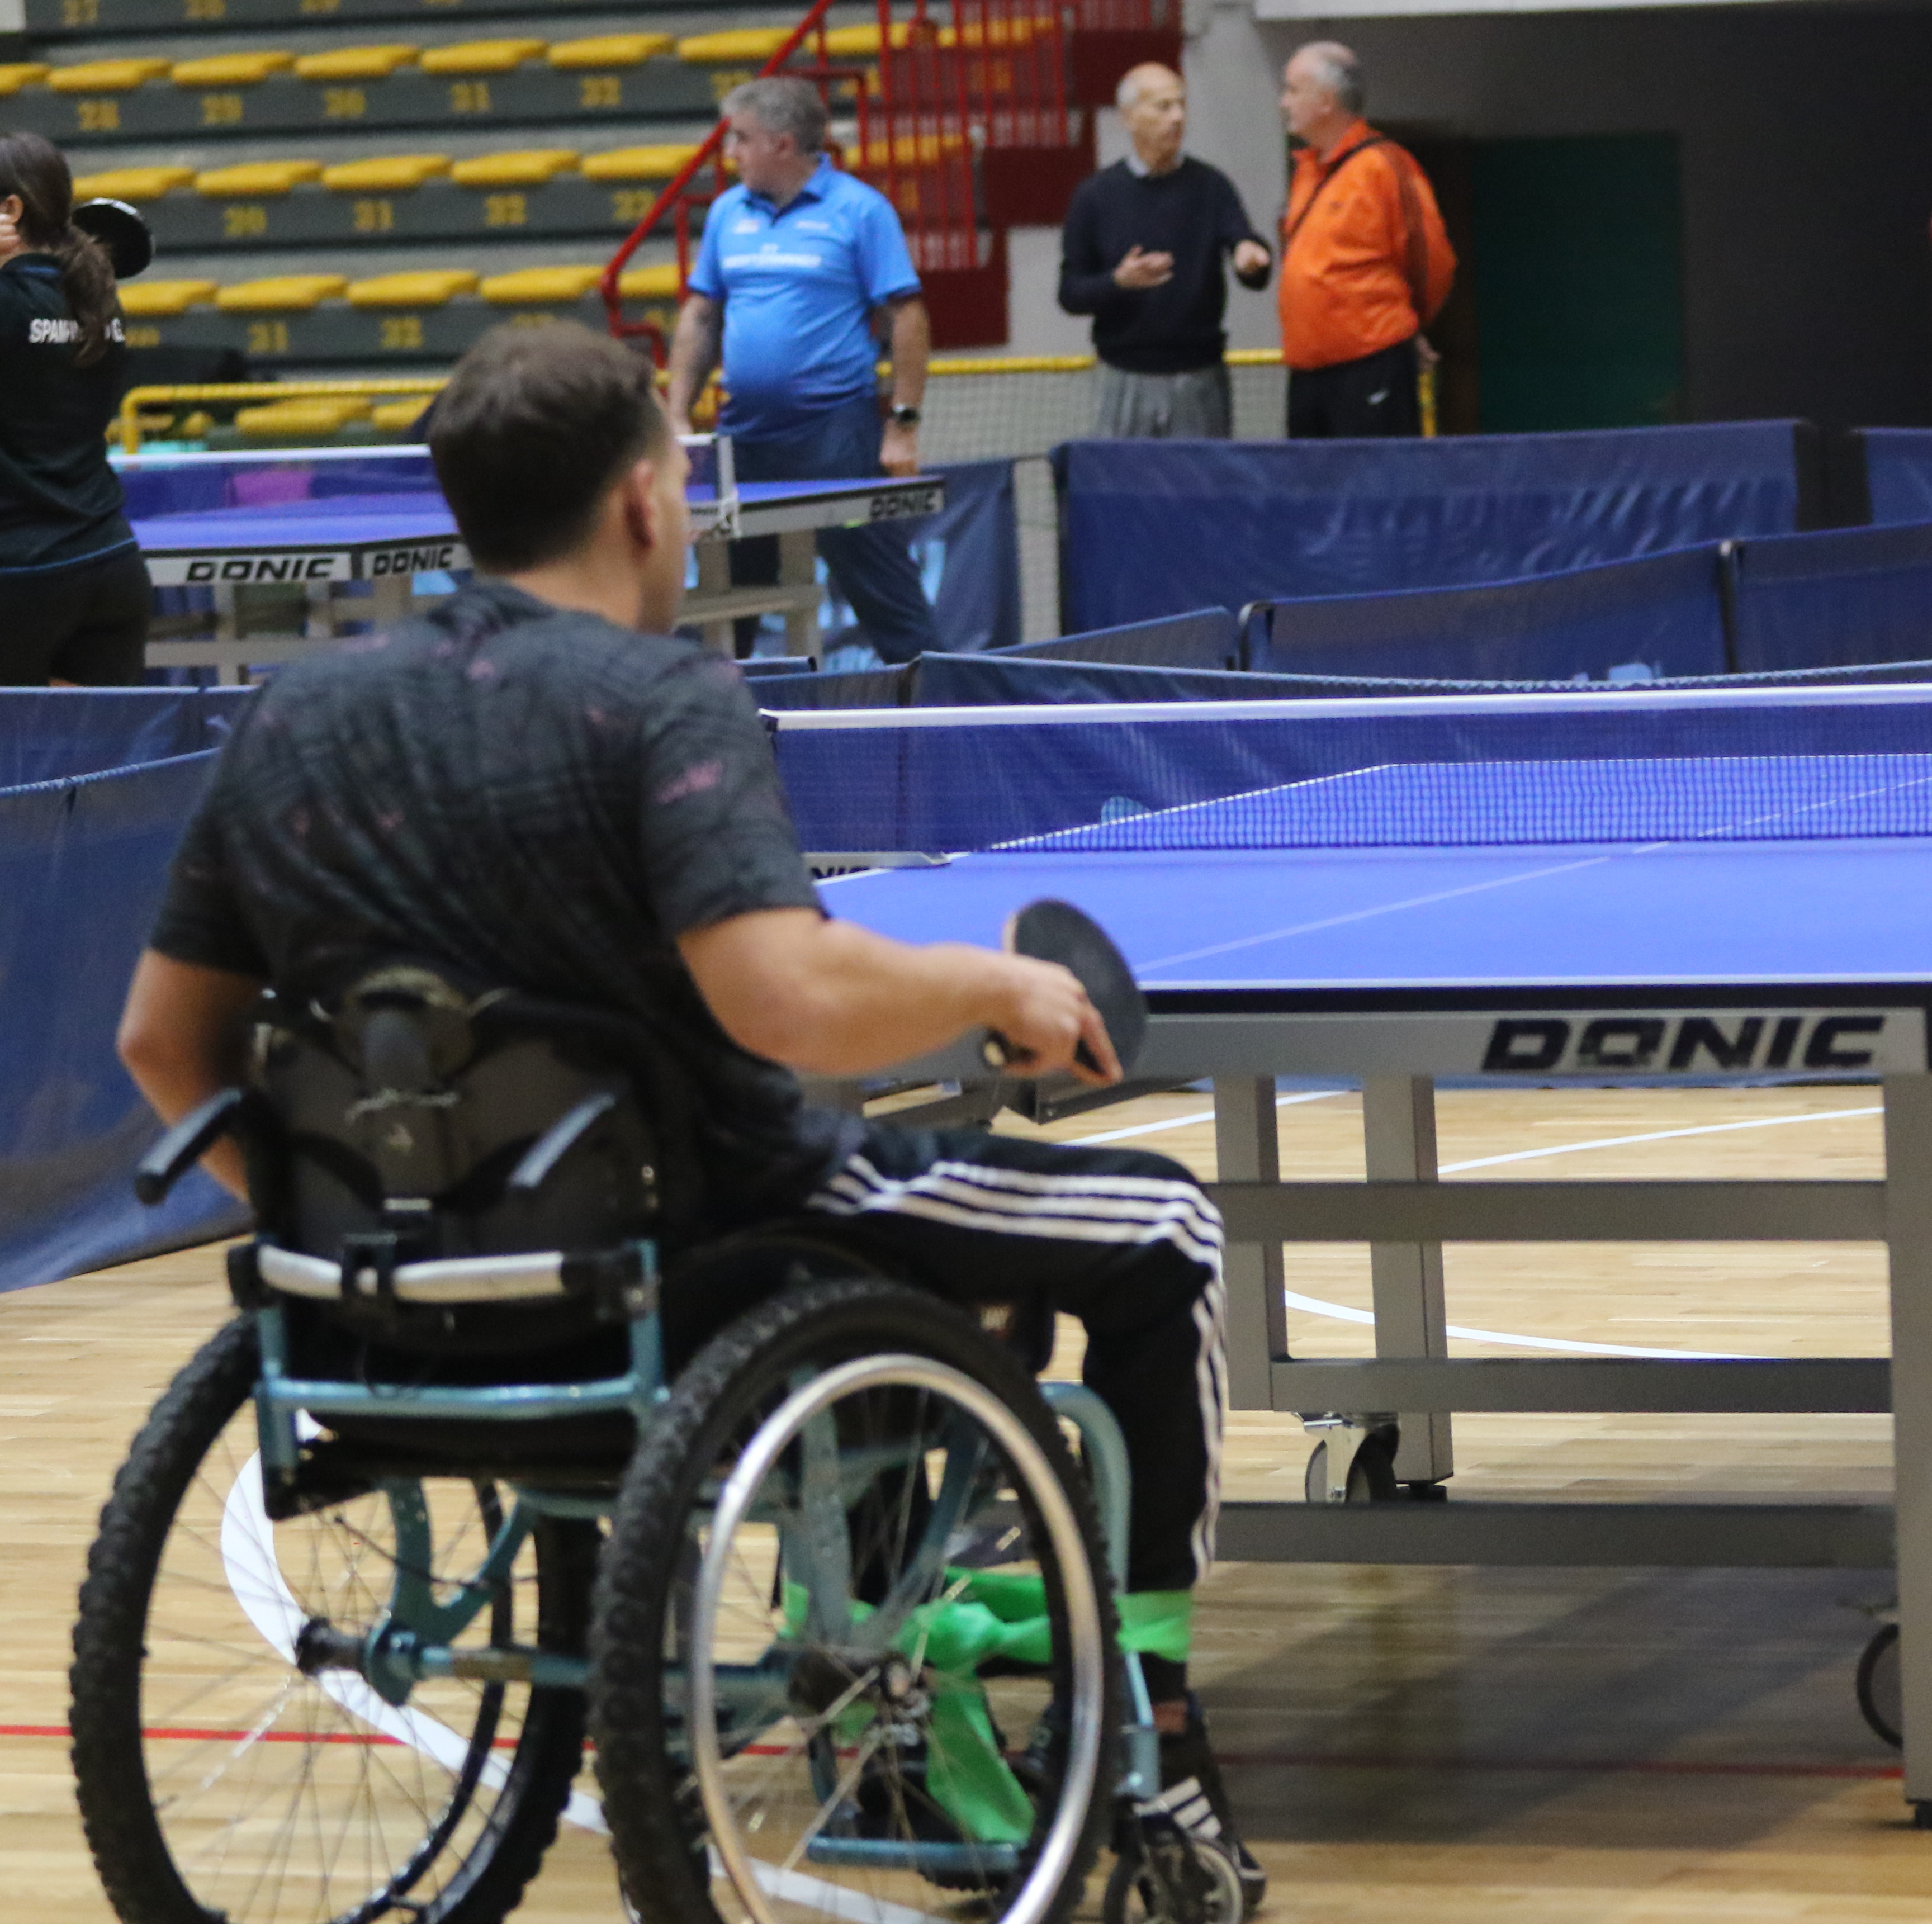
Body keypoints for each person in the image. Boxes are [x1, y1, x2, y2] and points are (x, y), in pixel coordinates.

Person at [110, 322, 1261, 1904]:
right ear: (648, 502)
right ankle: (1160, 1715)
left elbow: (161, 1043)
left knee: (927, 1269)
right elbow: (780, 996)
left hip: (388, 1299)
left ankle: (904, 1674)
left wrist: (342, 1218)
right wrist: (990, 991)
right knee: (1159, 1223)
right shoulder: (660, 698)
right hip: (707, 1240)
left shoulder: (294, 718)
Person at [664, 77, 936, 665]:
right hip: (745, 436)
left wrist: (903, 423)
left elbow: (907, 317)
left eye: (741, 139)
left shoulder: (861, 211)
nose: (731, 153)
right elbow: (701, 316)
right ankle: (718, 722)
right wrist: (677, 412)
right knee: (728, 594)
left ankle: (944, 713)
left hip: (835, 432)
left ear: (782, 144)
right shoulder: (726, 214)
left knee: (885, 592)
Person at [0, 130, 146, 687]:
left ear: (10, 208)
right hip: (108, 560)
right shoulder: (100, 301)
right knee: (101, 761)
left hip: (18, 572)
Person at [1060, 63, 1273, 438]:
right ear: (1128, 118)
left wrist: (1250, 256)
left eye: (1181, 106)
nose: (1177, 117)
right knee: (1124, 491)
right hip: (1122, 375)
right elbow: (1071, 294)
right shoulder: (1095, 196)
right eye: (1163, 107)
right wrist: (1118, 282)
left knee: (1201, 492)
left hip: (1199, 376)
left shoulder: (1211, 185)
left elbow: (1244, 245)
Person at [1275, 41, 1455, 439]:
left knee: (1375, 489)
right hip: (1308, 371)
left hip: (1369, 364)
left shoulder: (1384, 167)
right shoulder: (1307, 172)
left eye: (1291, 90)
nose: (1282, 102)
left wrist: (1406, 327)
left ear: (1325, 100)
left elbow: (1432, 261)